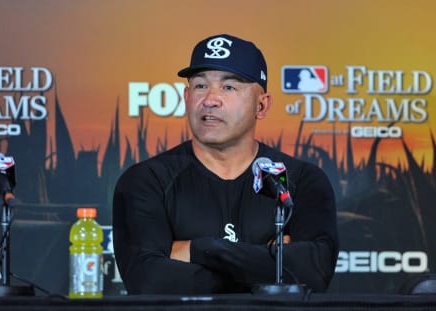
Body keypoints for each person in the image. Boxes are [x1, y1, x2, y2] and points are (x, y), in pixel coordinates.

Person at [113, 34, 339, 295]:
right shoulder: (146, 180)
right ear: (186, 97)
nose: (210, 99)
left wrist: (200, 250)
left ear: (262, 105)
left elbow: (314, 273)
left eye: (229, 87)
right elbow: (148, 281)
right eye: (200, 86)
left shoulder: (301, 179)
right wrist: (265, 264)